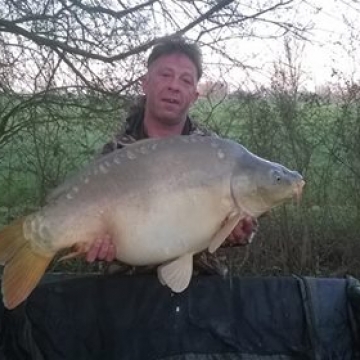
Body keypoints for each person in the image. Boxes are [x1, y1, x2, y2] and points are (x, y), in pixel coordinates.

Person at [84, 36, 258, 275]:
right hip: (128, 286)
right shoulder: (116, 153)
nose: (174, 86)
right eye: (165, 75)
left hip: (199, 285)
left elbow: (237, 220)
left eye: (185, 80)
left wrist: (238, 234)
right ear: (145, 83)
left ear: (194, 95)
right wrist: (93, 247)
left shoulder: (213, 151)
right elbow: (90, 229)